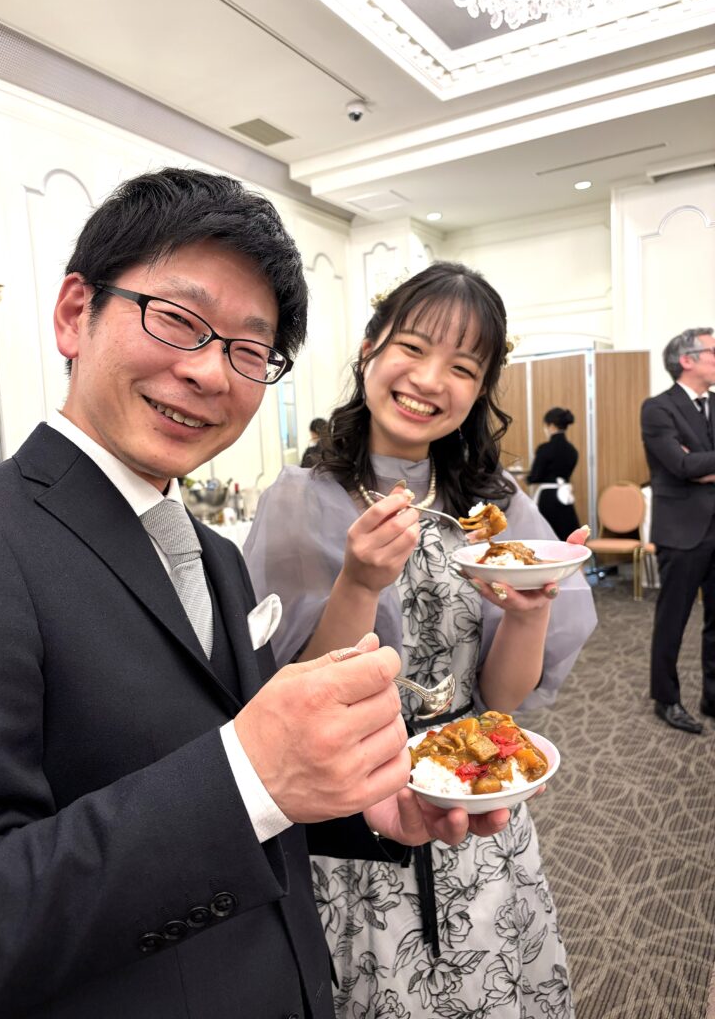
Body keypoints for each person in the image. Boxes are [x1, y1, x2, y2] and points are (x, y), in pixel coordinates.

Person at [0, 170, 507, 1019]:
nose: (212, 372)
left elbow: (226, 778)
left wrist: (361, 804)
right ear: (74, 313)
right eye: (177, 318)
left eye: (250, 350)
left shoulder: (214, 555)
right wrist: (253, 772)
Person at [245, 262, 597, 1019]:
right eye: (412, 347)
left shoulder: (495, 504)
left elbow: (503, 697)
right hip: (356, 802)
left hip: (475, 794)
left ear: (480, 389)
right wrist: (359, 582)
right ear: (369, 348)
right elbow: (303, 687)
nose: (431, 380)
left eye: (463, 367)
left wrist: (529, 610)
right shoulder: (299, 499)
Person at [641, 326, 715, 734]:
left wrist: (700, 464)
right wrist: (693, 466)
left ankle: (712, 696)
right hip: (682, 531)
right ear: (687, 360)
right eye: (713, 351)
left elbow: (694, 464)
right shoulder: (658, 408)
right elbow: (681, 465)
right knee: (673, 620)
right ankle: (666, 699)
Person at [526, 407, 580, 539]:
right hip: (565, 497)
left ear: (551, 426)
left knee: (547, 536)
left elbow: (535, 477)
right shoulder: (572, 450)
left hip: (548, 498)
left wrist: (526, 477)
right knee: (567, 536)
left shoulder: (544, 449)